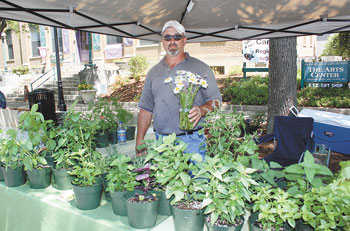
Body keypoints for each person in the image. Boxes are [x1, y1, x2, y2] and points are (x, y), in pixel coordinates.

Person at [135, 20, 222, 159]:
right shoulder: (153, 72)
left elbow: (216, 101)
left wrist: (201, 110)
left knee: (198, 180)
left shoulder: (201, 68)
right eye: (168, 37)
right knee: (164, 181)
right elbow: (146, 109)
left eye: (177, 36)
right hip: (162, 143)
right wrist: (140, 139)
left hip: (192, 142)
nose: (172, 40)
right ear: (162, 41)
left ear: (184, 40)